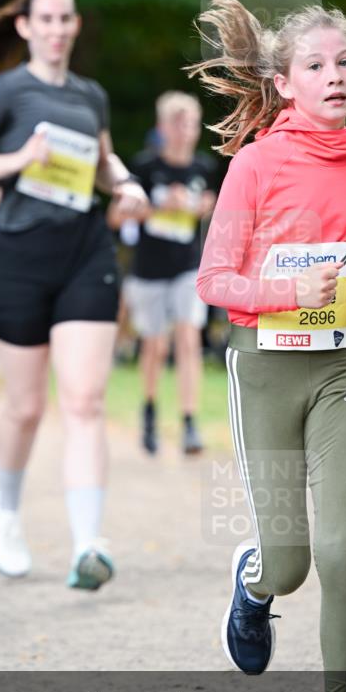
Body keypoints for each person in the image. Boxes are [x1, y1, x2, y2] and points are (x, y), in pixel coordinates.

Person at [188, 0, 346, 692]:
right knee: (291, 562)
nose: (334, 76)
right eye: (314, 65)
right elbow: (213, 280)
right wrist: (284, 292)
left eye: (344, 61)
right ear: (284, 81)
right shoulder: (256, 164)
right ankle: (252, 584)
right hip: (264, 367)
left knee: (343, 549)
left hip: (342, 370)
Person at [0, 0, 149, 589]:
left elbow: (104, 161)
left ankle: (89, 544)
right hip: (17, 260)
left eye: (66, 19)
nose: (57, 28)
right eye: (46, 19)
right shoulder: (7, 91)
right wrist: (16, 162)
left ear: (75, 26)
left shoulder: (91, 95)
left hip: (85, 253)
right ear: (27, 27)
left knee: (83, 400)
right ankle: (4, 509)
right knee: (27, 406)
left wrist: (128, 183)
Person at [111, 92, 216, 455]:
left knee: (188, 339)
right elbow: (115, 216)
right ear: (162, 127)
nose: (184, 130)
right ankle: (150, 411)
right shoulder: (142, 168)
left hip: (188, 270)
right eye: (176, 122)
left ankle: (190, 423)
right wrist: (155, 206)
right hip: (148, 272)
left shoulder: (203, 169)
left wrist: (202, 207)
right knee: (154, 347)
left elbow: (216, 212)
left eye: (189, 123)